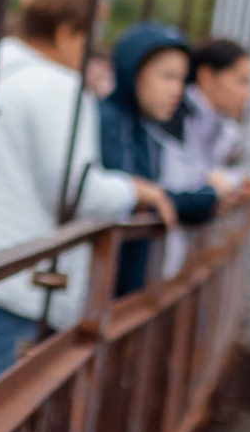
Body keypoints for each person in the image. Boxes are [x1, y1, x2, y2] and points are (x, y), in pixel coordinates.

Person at [0, 0, 175, 390]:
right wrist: (136, 190)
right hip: (10, 276)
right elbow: (76, 190)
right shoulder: (58, 86)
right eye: (92, 35)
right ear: (67, 32)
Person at [97, 23, 240, 298]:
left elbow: (157, 197)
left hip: (120, 292)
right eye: (167, 77)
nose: (178, 91)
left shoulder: (144, 130)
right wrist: (208, 197)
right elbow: (134, 199)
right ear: (133, 70)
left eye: (182, 79)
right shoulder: (110, 123)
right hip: (101, 295)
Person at [186, 37, 250, 169]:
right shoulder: (176, 117)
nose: (249, 94)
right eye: (242, 81)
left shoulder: (228, 131)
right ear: (206, 76)